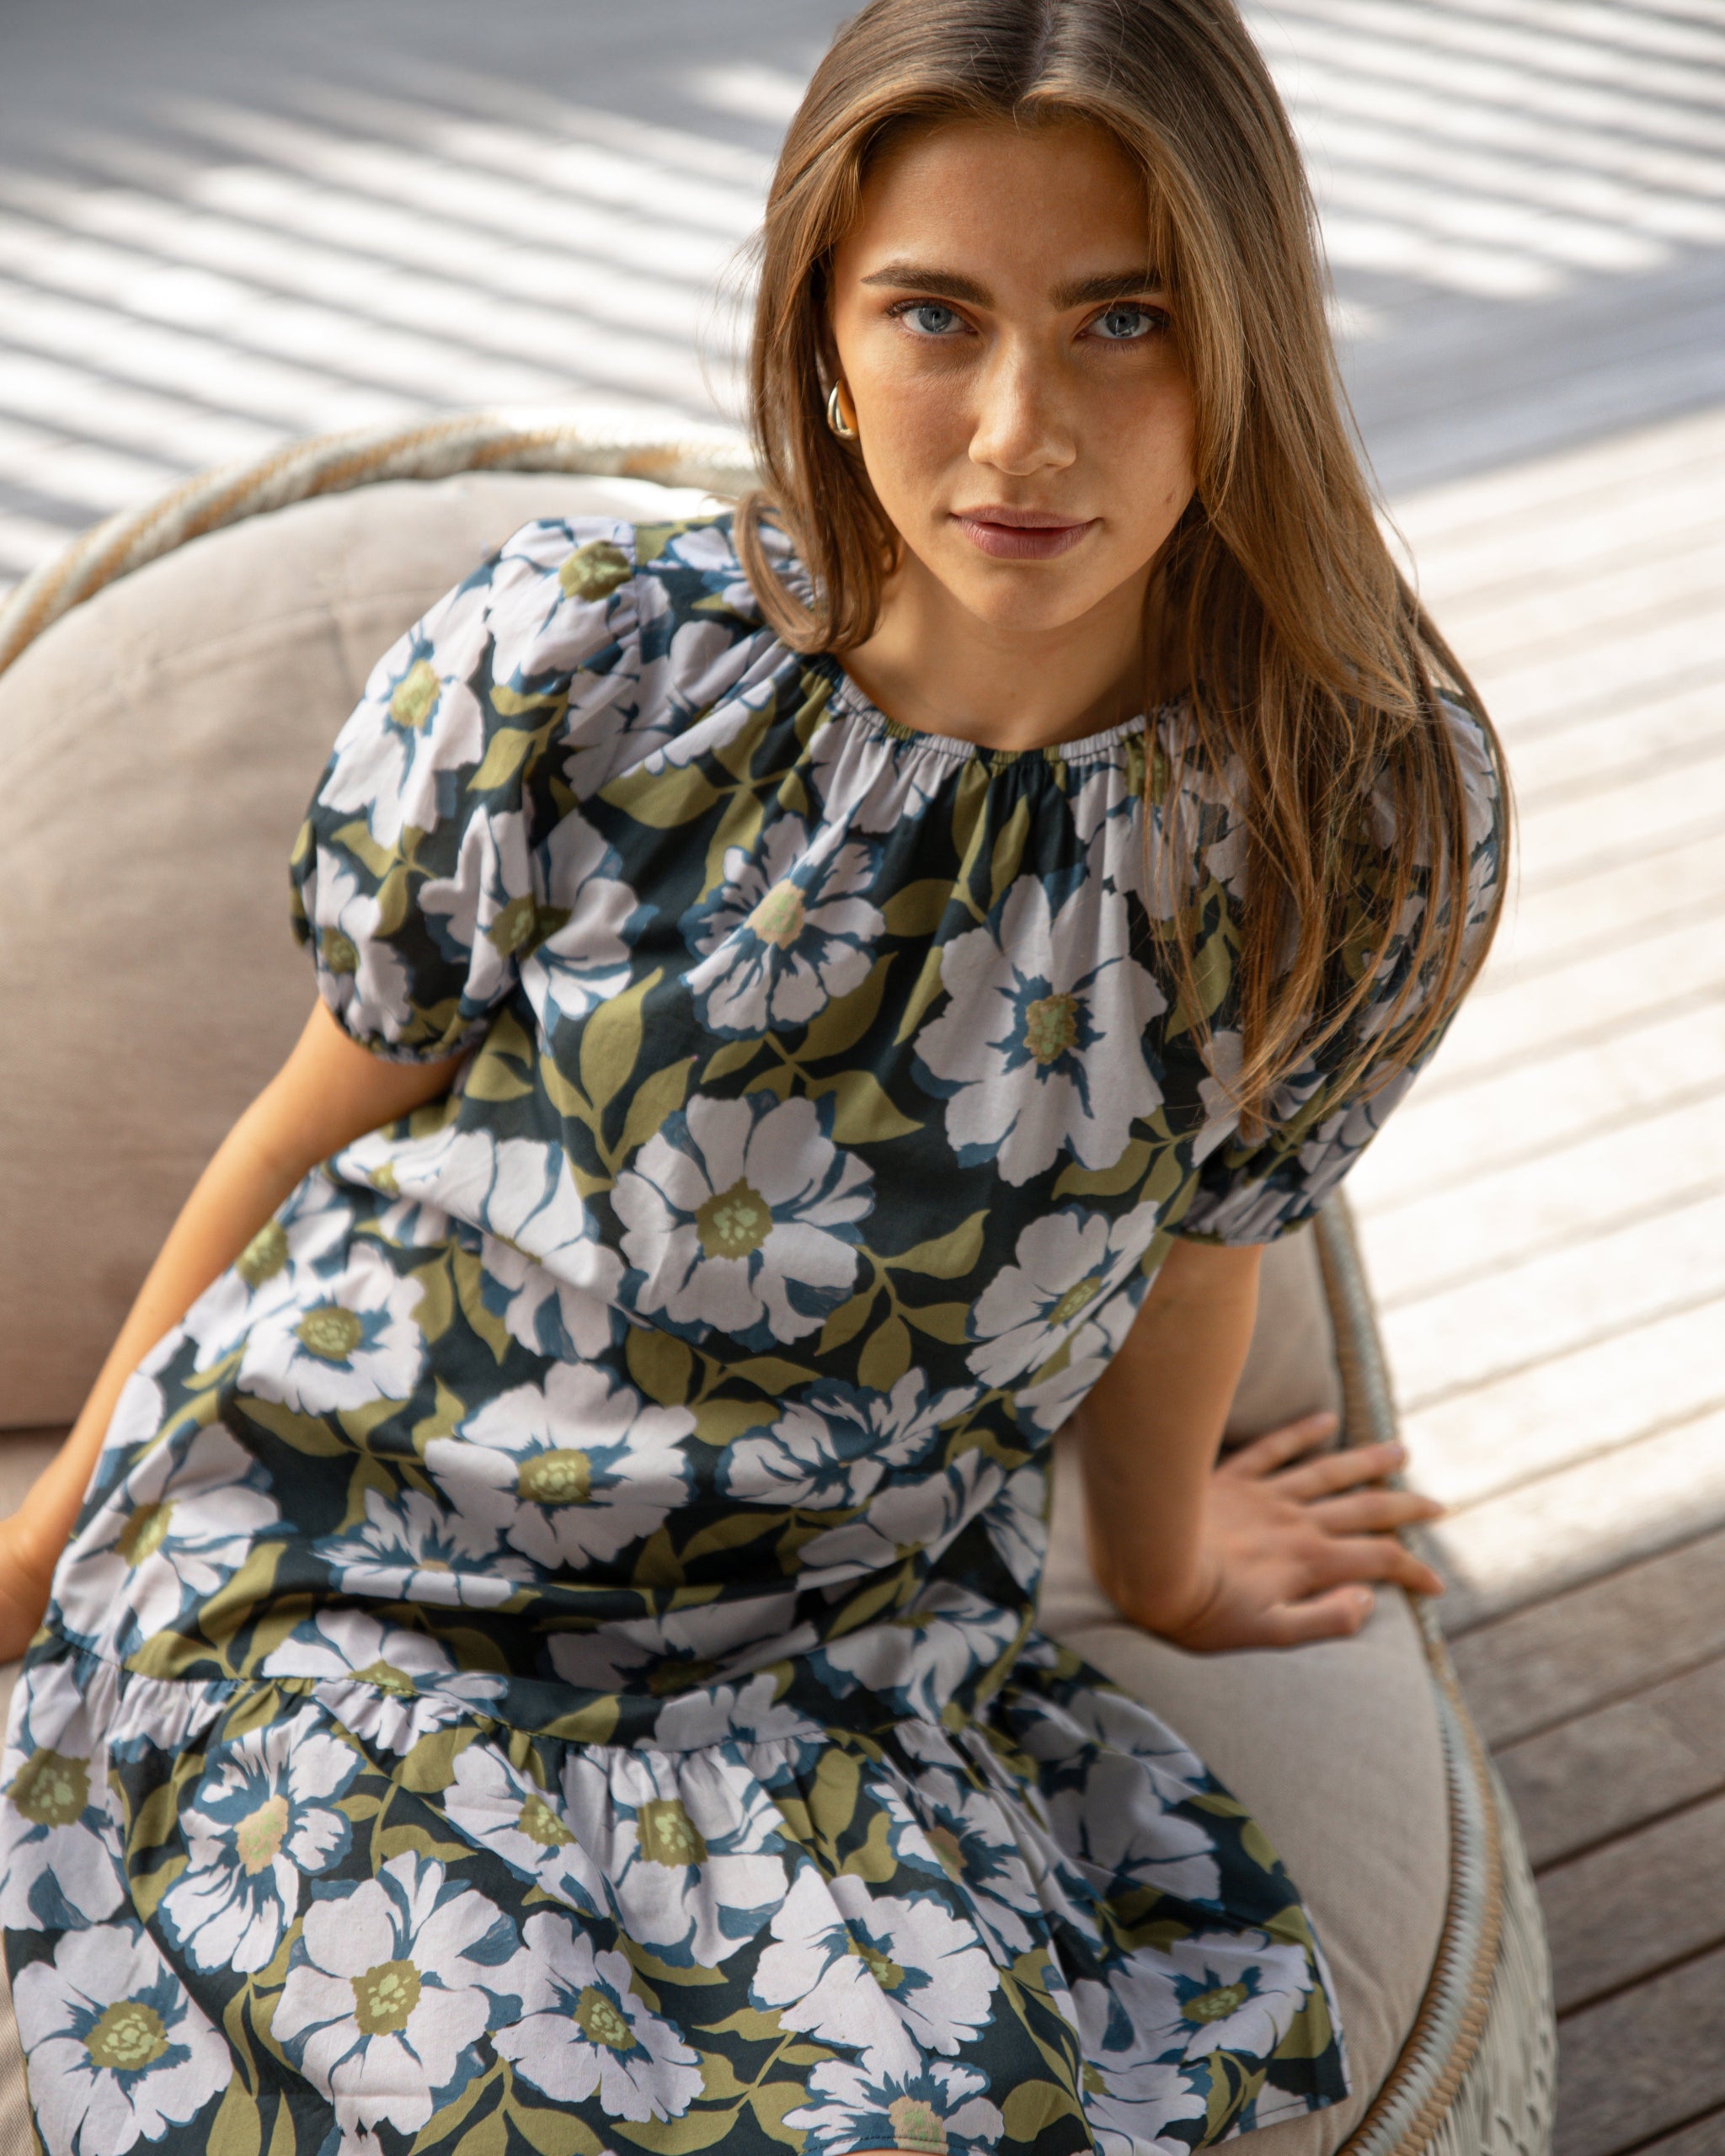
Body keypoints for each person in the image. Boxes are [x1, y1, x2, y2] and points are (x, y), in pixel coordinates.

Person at [0, 1, 1506, 2151]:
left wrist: (1160, 1572)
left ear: (1248, 336)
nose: (1017, 432)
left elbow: (1199, 1244)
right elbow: (320, 1104)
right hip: (362, 1527)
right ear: (817, 326)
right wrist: (55, 1528)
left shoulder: (1350, 811)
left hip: (823, 1634)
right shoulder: (594, 656)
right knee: (464, 2088)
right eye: (933, 315)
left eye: (1121, 320)